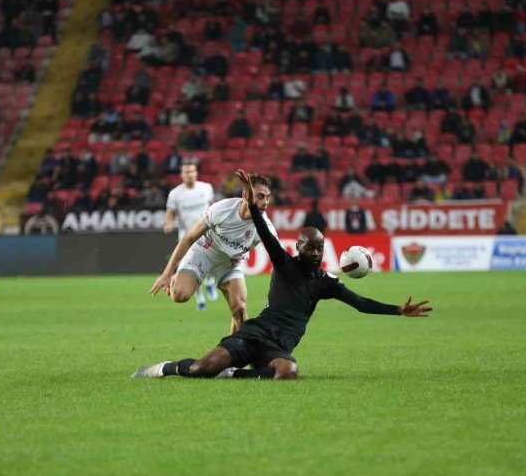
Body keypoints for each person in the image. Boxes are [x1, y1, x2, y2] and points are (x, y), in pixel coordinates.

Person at [133, 170, 433, 380]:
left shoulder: (327, 283)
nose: (314, 253)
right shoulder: (283, 261)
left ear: (323, 250)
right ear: (297, 247)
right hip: (250, 324)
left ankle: (232, 372)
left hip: (277, 345)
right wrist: (250, 200)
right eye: (307, 247)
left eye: (319, 249)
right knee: (199, 368)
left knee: (288, 372)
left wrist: (397, 310)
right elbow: (260, 226)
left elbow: (360, 302)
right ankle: (163, 369)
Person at [150, 173, 276, 334]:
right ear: (245, 195)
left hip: (230, 263)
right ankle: (177, 279)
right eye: (259, 196)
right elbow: (189, 238)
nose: (265, 202)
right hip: (205, 252)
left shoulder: (266, 227)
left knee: (240, 308)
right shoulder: (221, 209)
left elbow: (279, 258)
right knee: (180, 296)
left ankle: (231, 353)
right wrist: (167, 273)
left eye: (267, 197)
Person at [163, 162, 218, 311]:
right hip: (186, 236)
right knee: (190, 267)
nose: (190, 174)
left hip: (206, 232)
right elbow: (170, 211)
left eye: (192, 171)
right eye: (186, 172)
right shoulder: (175, 193)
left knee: (209, 260)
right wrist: (169, 223)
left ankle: (209, 283)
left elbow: (213, 206)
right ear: (182, 175)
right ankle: (199, 296)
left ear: (196, 173)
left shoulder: (206, 188)